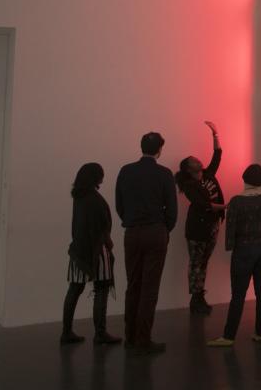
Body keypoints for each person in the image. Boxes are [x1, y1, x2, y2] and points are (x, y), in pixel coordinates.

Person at [115, 132, 177, 356]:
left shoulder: (126, 171)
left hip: (132, 233)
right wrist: (163, 229)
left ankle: (130, 336)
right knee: (149, 288)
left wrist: (130, 221)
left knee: (133, 285)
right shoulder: (164, 174)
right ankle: (143, 338)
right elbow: (172, 210)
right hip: (155, 232)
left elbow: (119, 204)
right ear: (159, 150)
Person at [208, 164, 261, 347]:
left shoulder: (236, 202)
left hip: (244, 250)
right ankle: (259, 333)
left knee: (238, 294)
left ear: (245, 180)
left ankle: (229, 336)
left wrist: (231, 247)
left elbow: (231, 231)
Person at [61, 163, 121, 346]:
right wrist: (108, 245)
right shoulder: (94, 199)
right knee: (101, 290)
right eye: (101, 175)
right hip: (97, 251)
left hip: (79, 251)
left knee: (74, 290)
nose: (103, 177)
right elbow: (102, 227)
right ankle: (100, 333)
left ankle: (66, 331)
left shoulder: (79, 197)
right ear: (96, 177)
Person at [175, 121, 226, 315]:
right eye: (193, 160)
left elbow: (217, 156)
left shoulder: (207, 174)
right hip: (197, 229)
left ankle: (199, 297)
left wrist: (215, 133)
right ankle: (196, 299)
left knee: (203, 263)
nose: (198, 160)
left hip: (212, 226)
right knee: (196, 263)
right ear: (188, 168)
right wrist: (228, 206)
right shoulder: (189, 185)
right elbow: (205, 206)